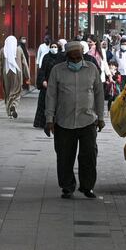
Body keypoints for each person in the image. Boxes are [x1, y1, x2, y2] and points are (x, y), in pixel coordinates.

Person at [45, 41, 105, 199]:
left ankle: (87, 187)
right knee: (64, 156)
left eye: (79, 57)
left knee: (89, 156)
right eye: (73, 58)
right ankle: (67, 186)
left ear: (82, 55)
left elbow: (99, 94)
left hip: (88, 120)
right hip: (64, 121)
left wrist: (101, 117)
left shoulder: (92, 69)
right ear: (67, 57)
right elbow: (51, 96)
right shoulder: (57, 71)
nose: (76, 61)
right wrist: (49, 119)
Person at [0, 35, 29, 119]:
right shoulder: (19, 50)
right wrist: (27, 75)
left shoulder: (2, 50)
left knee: (8, 93)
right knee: (17, 92)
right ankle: (14, 105)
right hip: (17, 74)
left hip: (6, 74)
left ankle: (9, 113)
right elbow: (24, 63)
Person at [34, 40, 63, 129]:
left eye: (55, 47)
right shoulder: (46, 57)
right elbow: (42, 70)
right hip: (47, 84)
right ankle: (42, 123)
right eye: (52, 47)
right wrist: (43, 81)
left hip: (58, 84)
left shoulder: (61, 57)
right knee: (44, 103)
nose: (53, 49)